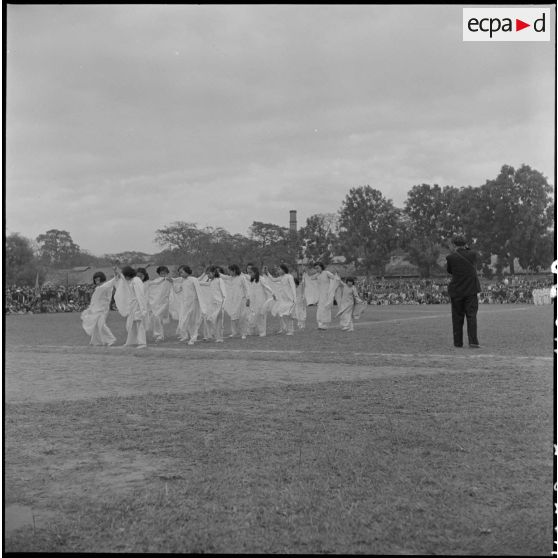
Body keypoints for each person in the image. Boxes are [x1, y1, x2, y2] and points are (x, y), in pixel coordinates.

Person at [446, 235, 481, 348]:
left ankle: (458, 342)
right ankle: (473, 341)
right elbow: (473, 254)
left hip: (456, 290)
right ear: (466, 244)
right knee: (471, 316)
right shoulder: (473, 254)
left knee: (457, 318)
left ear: (454, 245)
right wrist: (466, 247)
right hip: (471, 290)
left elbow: (450, 271)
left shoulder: (450, 257)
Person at [168, 265, 206, 345]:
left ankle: (193, 337)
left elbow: (199, 292)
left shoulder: (193, 280)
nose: (181, 274)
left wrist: (201, 305)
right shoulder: (182, 281)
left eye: (182, 272)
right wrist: (173, 283)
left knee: (194, 321)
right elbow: (177, 290)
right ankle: (188, 336)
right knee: (184, 321)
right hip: (185, 304)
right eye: (180, 272)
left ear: (187, 271)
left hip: (194, 304)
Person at [113, 266, 148, 348]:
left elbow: (140, 295)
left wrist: (142, 309)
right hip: (133, 306)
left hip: (138, 305)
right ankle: (131, 342)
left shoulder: (136, 280)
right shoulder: (130, 280)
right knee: (132, 324)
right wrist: (117, 272)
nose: (125, 277)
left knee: (139, 323)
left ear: (129, 275)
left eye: (126, 275)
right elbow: (122, 280)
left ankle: (142, 343)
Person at [80, 270, 118, 346]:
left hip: (103, 309)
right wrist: (90, 308)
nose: (96, 280)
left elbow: (114, 280)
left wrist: (115, 272)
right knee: (96, 325)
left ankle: (111, 339)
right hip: (96, 309)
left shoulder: (106, 286)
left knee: (101, 324)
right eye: (95, 279)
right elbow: (94, 299)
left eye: (98, 279)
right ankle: (95, 341)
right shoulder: (99, 288)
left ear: (102, 278)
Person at [265, 264, 297, 335]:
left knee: (288, 314)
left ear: (284, 269)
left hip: (290, 299)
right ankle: (285, 328)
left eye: (279, 269)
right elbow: (273, 279)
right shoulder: (281, 277)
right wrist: (267, 272)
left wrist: (294, 298)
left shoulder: (289, 276)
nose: (278, 271)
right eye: (278, 269)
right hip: (283, 300)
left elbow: (293, 287)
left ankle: (290, 331)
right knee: (282, 313)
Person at [198, 265, 227, 343]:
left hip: (219, 304)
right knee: (208, 319)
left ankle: (219, 338)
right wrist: (198, 280)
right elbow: (201, 283)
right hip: (212, 305)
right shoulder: (210, 281)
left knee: (219, 321)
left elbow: (224, 294)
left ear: (214, 273)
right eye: (207, 274)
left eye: (209, 274)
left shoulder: (219, 280)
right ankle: (209, 335)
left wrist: (222, 305)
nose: (208, 275)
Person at [221, 264, 250, 339]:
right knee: (233, 316)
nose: (229, 272)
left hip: (242, 300)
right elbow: (224, 277)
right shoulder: (230, 278)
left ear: (234, 270)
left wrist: (248, 299)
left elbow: (246, 288)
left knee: (242, 317)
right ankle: (234, 332)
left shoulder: (242, 278)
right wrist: (217, 272)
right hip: (233, 300)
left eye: (230, 271)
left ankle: (244, 333)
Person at [307, 262, 339, 330]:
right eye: (315, 268)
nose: (317, 269)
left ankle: (325, 325)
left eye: (318, 268)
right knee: (320, 310)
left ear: (322, 267)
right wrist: (309, 272)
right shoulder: (317, 275)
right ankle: (320, 325)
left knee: (326, 309)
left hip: (327, 294)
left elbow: (335, 279)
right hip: (320, 295)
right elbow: (310, 278)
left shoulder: (326, 273)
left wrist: (335, 273)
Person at [145, 266, 171, 342]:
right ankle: (160, 336)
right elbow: (150, 285)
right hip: (156, 304)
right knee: (157, 318)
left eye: (165, 272)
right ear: (159, 273)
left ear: (167, 272)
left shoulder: (169, 280)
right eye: (161, 272)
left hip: (164, 303)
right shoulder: (156, 281)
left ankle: (159, 335)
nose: (163, 274)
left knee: (157, 317)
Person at [247, 266, 274, 336]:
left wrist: (272, 293)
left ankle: (262, 332)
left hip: (261, 301)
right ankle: (251, 331)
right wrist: (248, 299)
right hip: (253, 302)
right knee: (252, 316)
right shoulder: (251, 280)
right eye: (249, 273)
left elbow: (267, 287)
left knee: (261, 317)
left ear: (255, 272)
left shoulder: (261, 279)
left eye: (251, 273)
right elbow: (249, 291)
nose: (250, 274)